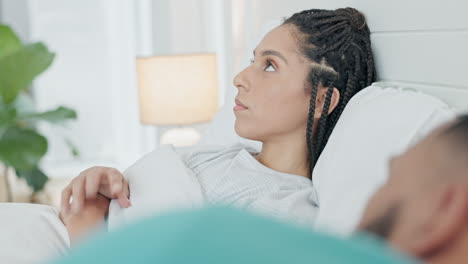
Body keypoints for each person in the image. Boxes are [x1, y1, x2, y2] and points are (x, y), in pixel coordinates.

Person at [60, 7, 376, 244]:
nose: (240, 79)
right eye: (252, 61)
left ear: (321, 100)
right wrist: (101, 190)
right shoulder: (216, 155)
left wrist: (85, 224)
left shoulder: (283, 215)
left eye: (269, 65)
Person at [52, 115, 468, 264]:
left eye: (391, 178)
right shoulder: (218, 158)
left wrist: (85, 227)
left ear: (445, 211)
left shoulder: (214, 231)